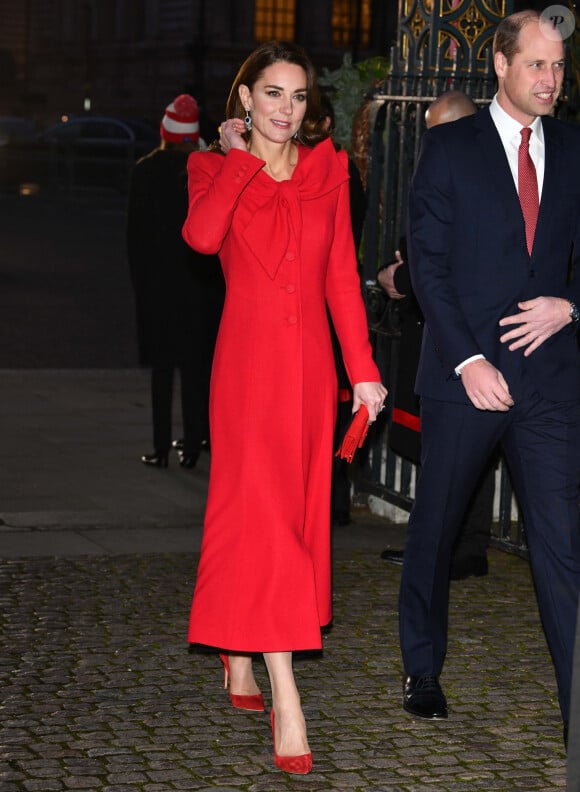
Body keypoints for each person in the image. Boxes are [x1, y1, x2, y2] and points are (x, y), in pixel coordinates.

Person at [181, 41, 387, 774]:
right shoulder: (211, 169)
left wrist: (362, 374)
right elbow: (202, 238)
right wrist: (239, 160)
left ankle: (237, 653)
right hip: (245, 375)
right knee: (263, 519)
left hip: (309, 378)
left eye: (298, 97)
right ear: (245, 99)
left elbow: (340, 279)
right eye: (272, 94)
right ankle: (287, 697)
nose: (285, 110)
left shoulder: (328, 171)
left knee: (282, 520)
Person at [399, 11, 580, 747]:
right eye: (537, 64)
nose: (551, 79)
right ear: (501, 64)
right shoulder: (448, 149)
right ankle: (422, 666)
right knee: (437, 530)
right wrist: (468, 361)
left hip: (549, 387)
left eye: (560, 66)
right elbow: (427, 265)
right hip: (464, 380)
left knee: (562, 546)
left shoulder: (573, 149)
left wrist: (571, 305)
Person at [378, 91, 494, 580]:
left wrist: (398, 279)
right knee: (453, 451)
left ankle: (452, 551)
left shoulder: (483, 174)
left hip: (469, 337)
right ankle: (453, 549)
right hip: (443, 330)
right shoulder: (454, 164)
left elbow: (450, 262)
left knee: (464, 452)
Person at [127, 94, 225, 470]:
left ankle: (158, 447)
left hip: (157, 288)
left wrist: (141, 286)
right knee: (196, 370)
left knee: (162, 372)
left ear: (165, 131)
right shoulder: (205, 170)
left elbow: (134, 239)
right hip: (199, 287)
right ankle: (192, 447)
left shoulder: (145, 170)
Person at [318, 91, 368, 526]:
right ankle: (332, 497)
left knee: (339, 405)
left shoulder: (342, 170)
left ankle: (335, 496)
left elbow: (346, 245)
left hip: (332, 300)